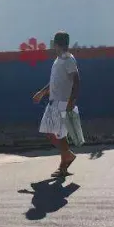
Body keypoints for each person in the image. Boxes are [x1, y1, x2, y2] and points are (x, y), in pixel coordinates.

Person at [33, 31, 81, 178]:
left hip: (62, 103)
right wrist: (42, 92)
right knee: (52, 132)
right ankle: (66, 160)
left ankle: (66, 159)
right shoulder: (58, 59)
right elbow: (54, 82)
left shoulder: (68, 59)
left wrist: (72, 101)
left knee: (58, 134)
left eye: (53, 42)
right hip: (54, 102)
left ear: (57, 44)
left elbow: (77, 80)